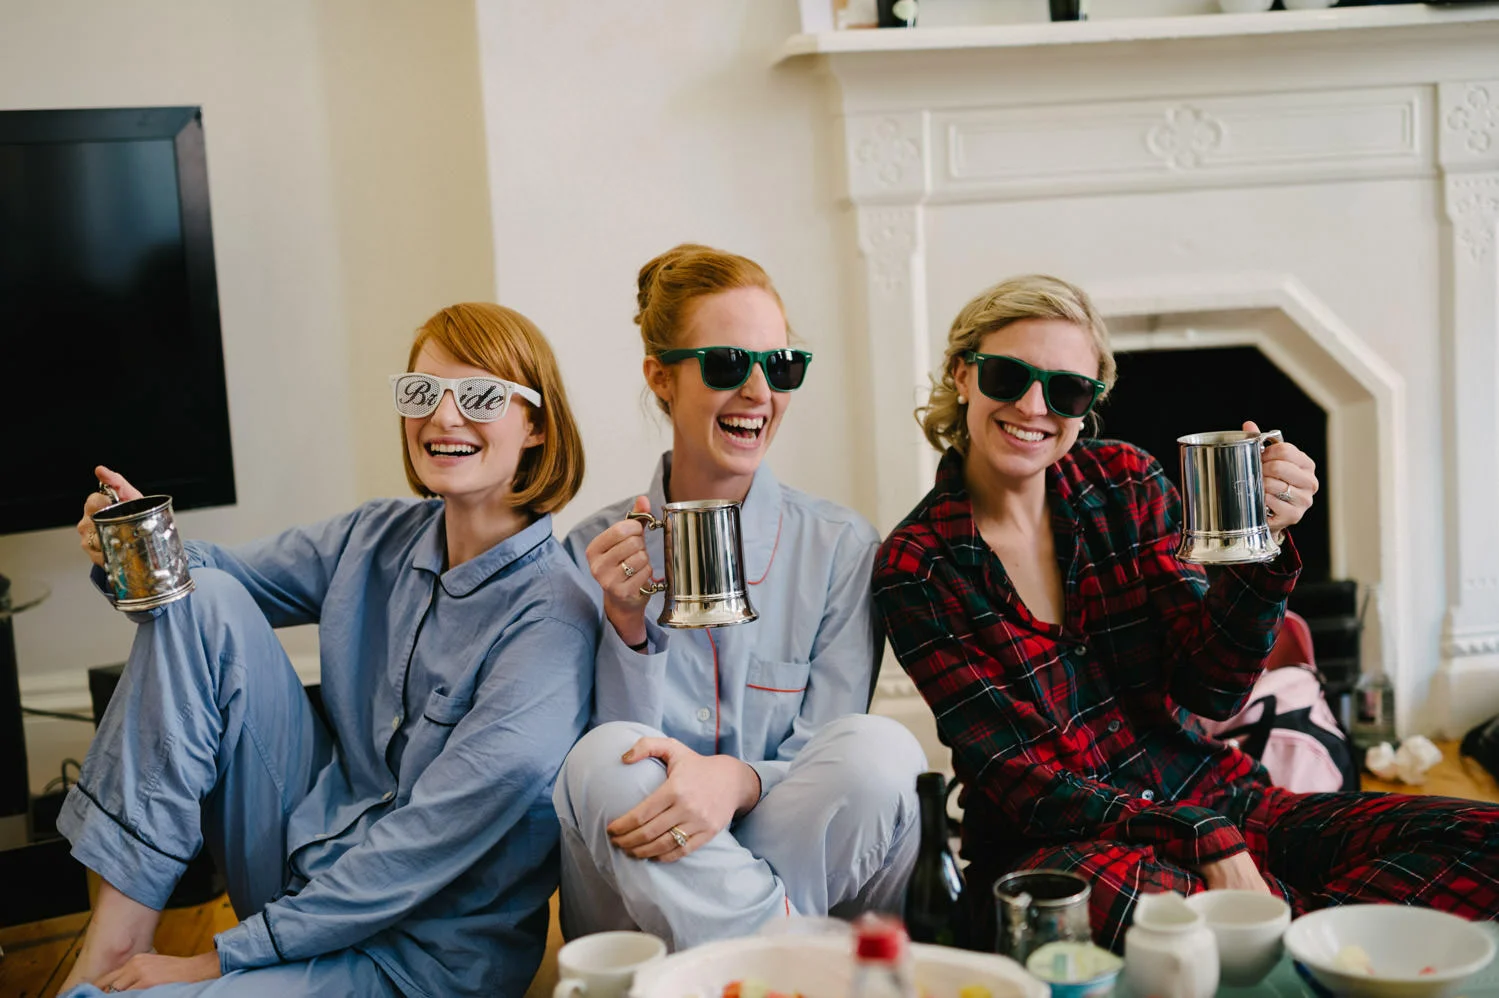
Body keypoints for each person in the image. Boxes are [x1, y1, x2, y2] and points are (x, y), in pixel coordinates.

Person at [873, 274, 1499, 952]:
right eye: (1005, 375)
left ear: (1086, 407)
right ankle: (1321, 939)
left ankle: (1275, 938)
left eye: (1067, 389)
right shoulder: (918, 563)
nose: (1032, 405)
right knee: (1112, 902)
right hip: (1070, 849)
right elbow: (1024, 784)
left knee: (1482, 841)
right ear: (962, 375)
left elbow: (1212, 685)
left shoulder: (1124, 481)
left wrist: (1262, 542)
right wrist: (1198, 837)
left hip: (1225, 802)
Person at [58, 303, 596, 996]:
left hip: (415, 957)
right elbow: (205, 580)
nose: (444, 417)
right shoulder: (376, 535)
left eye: (480, 396)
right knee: (205, 596)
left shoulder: (553, 617)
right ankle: (111, 947)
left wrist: (221, 957)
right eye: (421, 393)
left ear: (537, 425)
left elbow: (422, 848)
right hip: (301, 874)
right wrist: (130, 543)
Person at [554, 243, 925, 949]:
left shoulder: (840, 547)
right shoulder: (590, 553)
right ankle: (788, 961)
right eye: (728, 364)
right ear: (659, 378)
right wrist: (627, 628)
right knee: (601, 757)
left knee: (882, 751)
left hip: (791, 843)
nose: (759, 391)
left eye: (780, 366)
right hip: (641, 887)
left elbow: (826, 748)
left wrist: (737, 780)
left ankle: (741, 963)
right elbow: (604, 765)